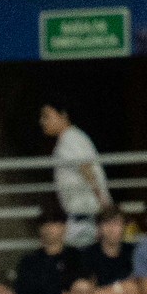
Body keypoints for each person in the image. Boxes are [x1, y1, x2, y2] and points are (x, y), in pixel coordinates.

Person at [42, 102, 110, 247]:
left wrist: (103, 204)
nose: (42, 121)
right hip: (83, 214)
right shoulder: (73, 137)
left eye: (47, 116)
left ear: (63, 115)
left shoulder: (70, 139)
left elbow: (86, 168)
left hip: (85, 215)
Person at [15, 203, 83, 294]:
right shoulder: (29, 261)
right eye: (45, 224)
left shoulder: (76, 257)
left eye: (54, 224)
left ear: (64, 227)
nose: (49, 228)